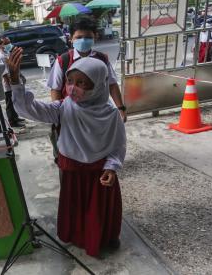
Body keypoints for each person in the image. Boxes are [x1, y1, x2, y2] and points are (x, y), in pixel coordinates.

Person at [8, 47, 126, 257]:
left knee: (100, 210)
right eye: (70, 81)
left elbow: (118, 144)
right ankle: (81, 237)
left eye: (82, 83)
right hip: (73, 171)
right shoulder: (64, 107)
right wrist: (16, 82)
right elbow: (29, 109)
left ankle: (103, 237)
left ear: (98, 84)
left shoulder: (111, 114)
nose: (73, 88)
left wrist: (112, 166)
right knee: (77, 208)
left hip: (100, 173)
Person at [47, 16, 127, 122]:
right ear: (71, 39)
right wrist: (58, 116)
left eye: (88, 37)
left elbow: (112, 84)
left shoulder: (102, 59)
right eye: (79, 37)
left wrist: (120, 108)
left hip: (99, 115)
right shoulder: (64, 60)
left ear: (95, 37)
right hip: (72, 116)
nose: (83, 40)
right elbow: (55, 89)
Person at [0, 36, 25, 127]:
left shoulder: (5, 52)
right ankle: (12, 121)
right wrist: (11, 85)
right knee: (10, 103)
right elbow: (4, 73)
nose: (8, 45)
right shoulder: (0, 56)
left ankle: (15, 117)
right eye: (6, 43)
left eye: (9, 42)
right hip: (7, 84)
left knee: (13, 101)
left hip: (11, 82)